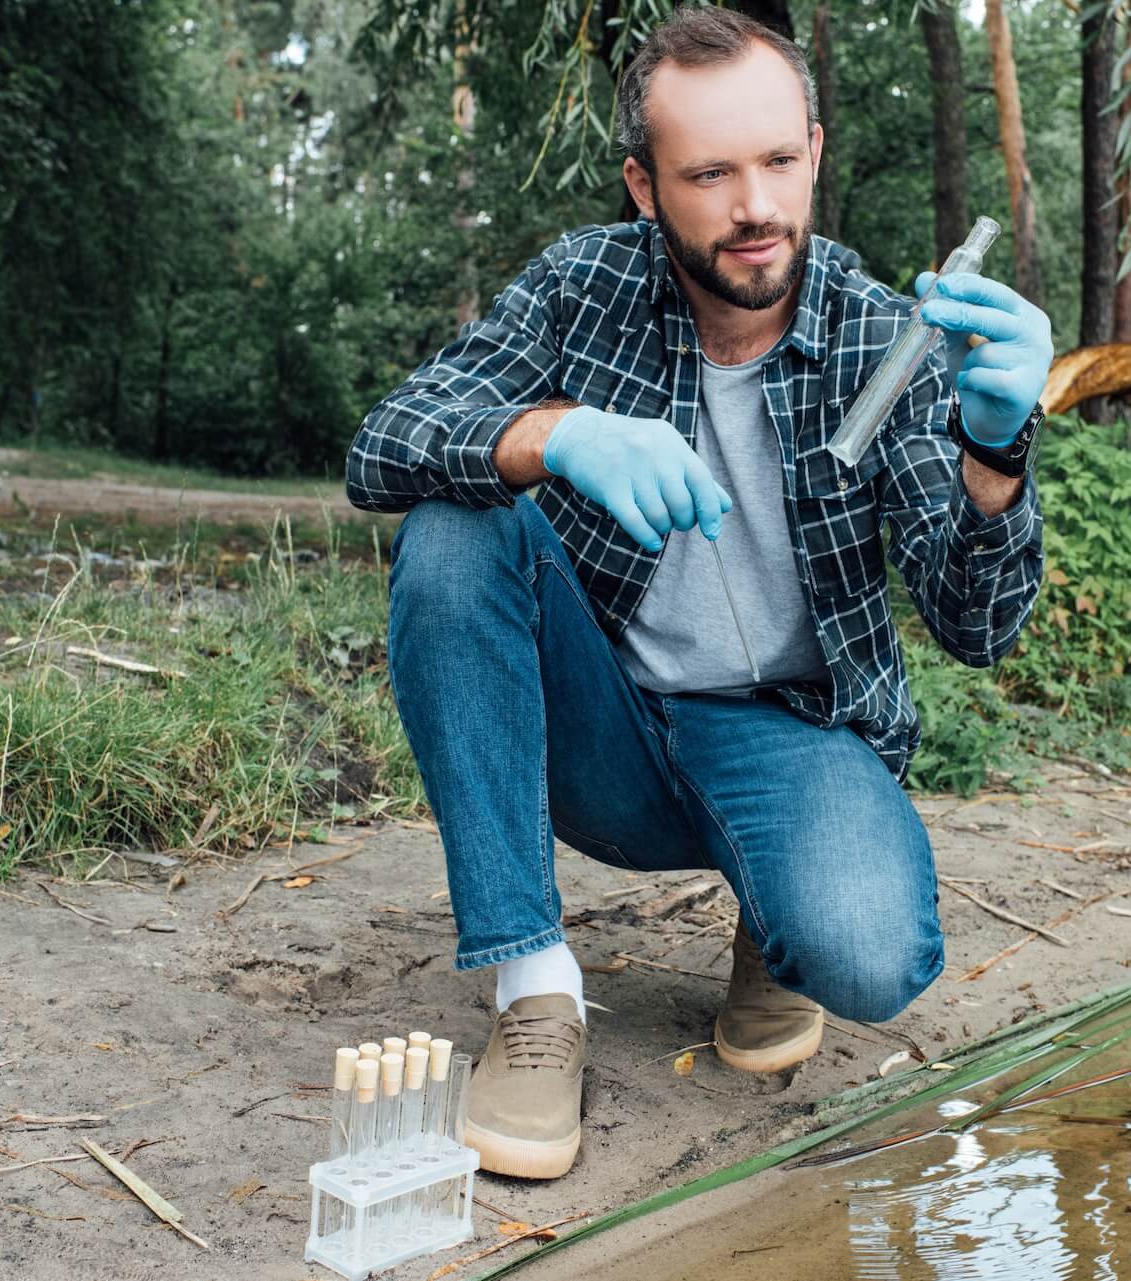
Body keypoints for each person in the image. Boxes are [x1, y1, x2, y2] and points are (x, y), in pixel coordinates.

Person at [346, 7, 1049, 1181]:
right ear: (644, 184)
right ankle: (535, 988)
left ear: (815, 153)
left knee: (870, 957)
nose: (756, 208)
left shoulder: (888, 335)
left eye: (778, 162)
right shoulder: (583, 289)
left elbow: (978, 628)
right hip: (606, 722)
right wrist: (553, 436)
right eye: (709, 174)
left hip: (792, 735)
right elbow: (385, 444)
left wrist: (995, 453)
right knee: (454, 534)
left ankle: (776, 924)